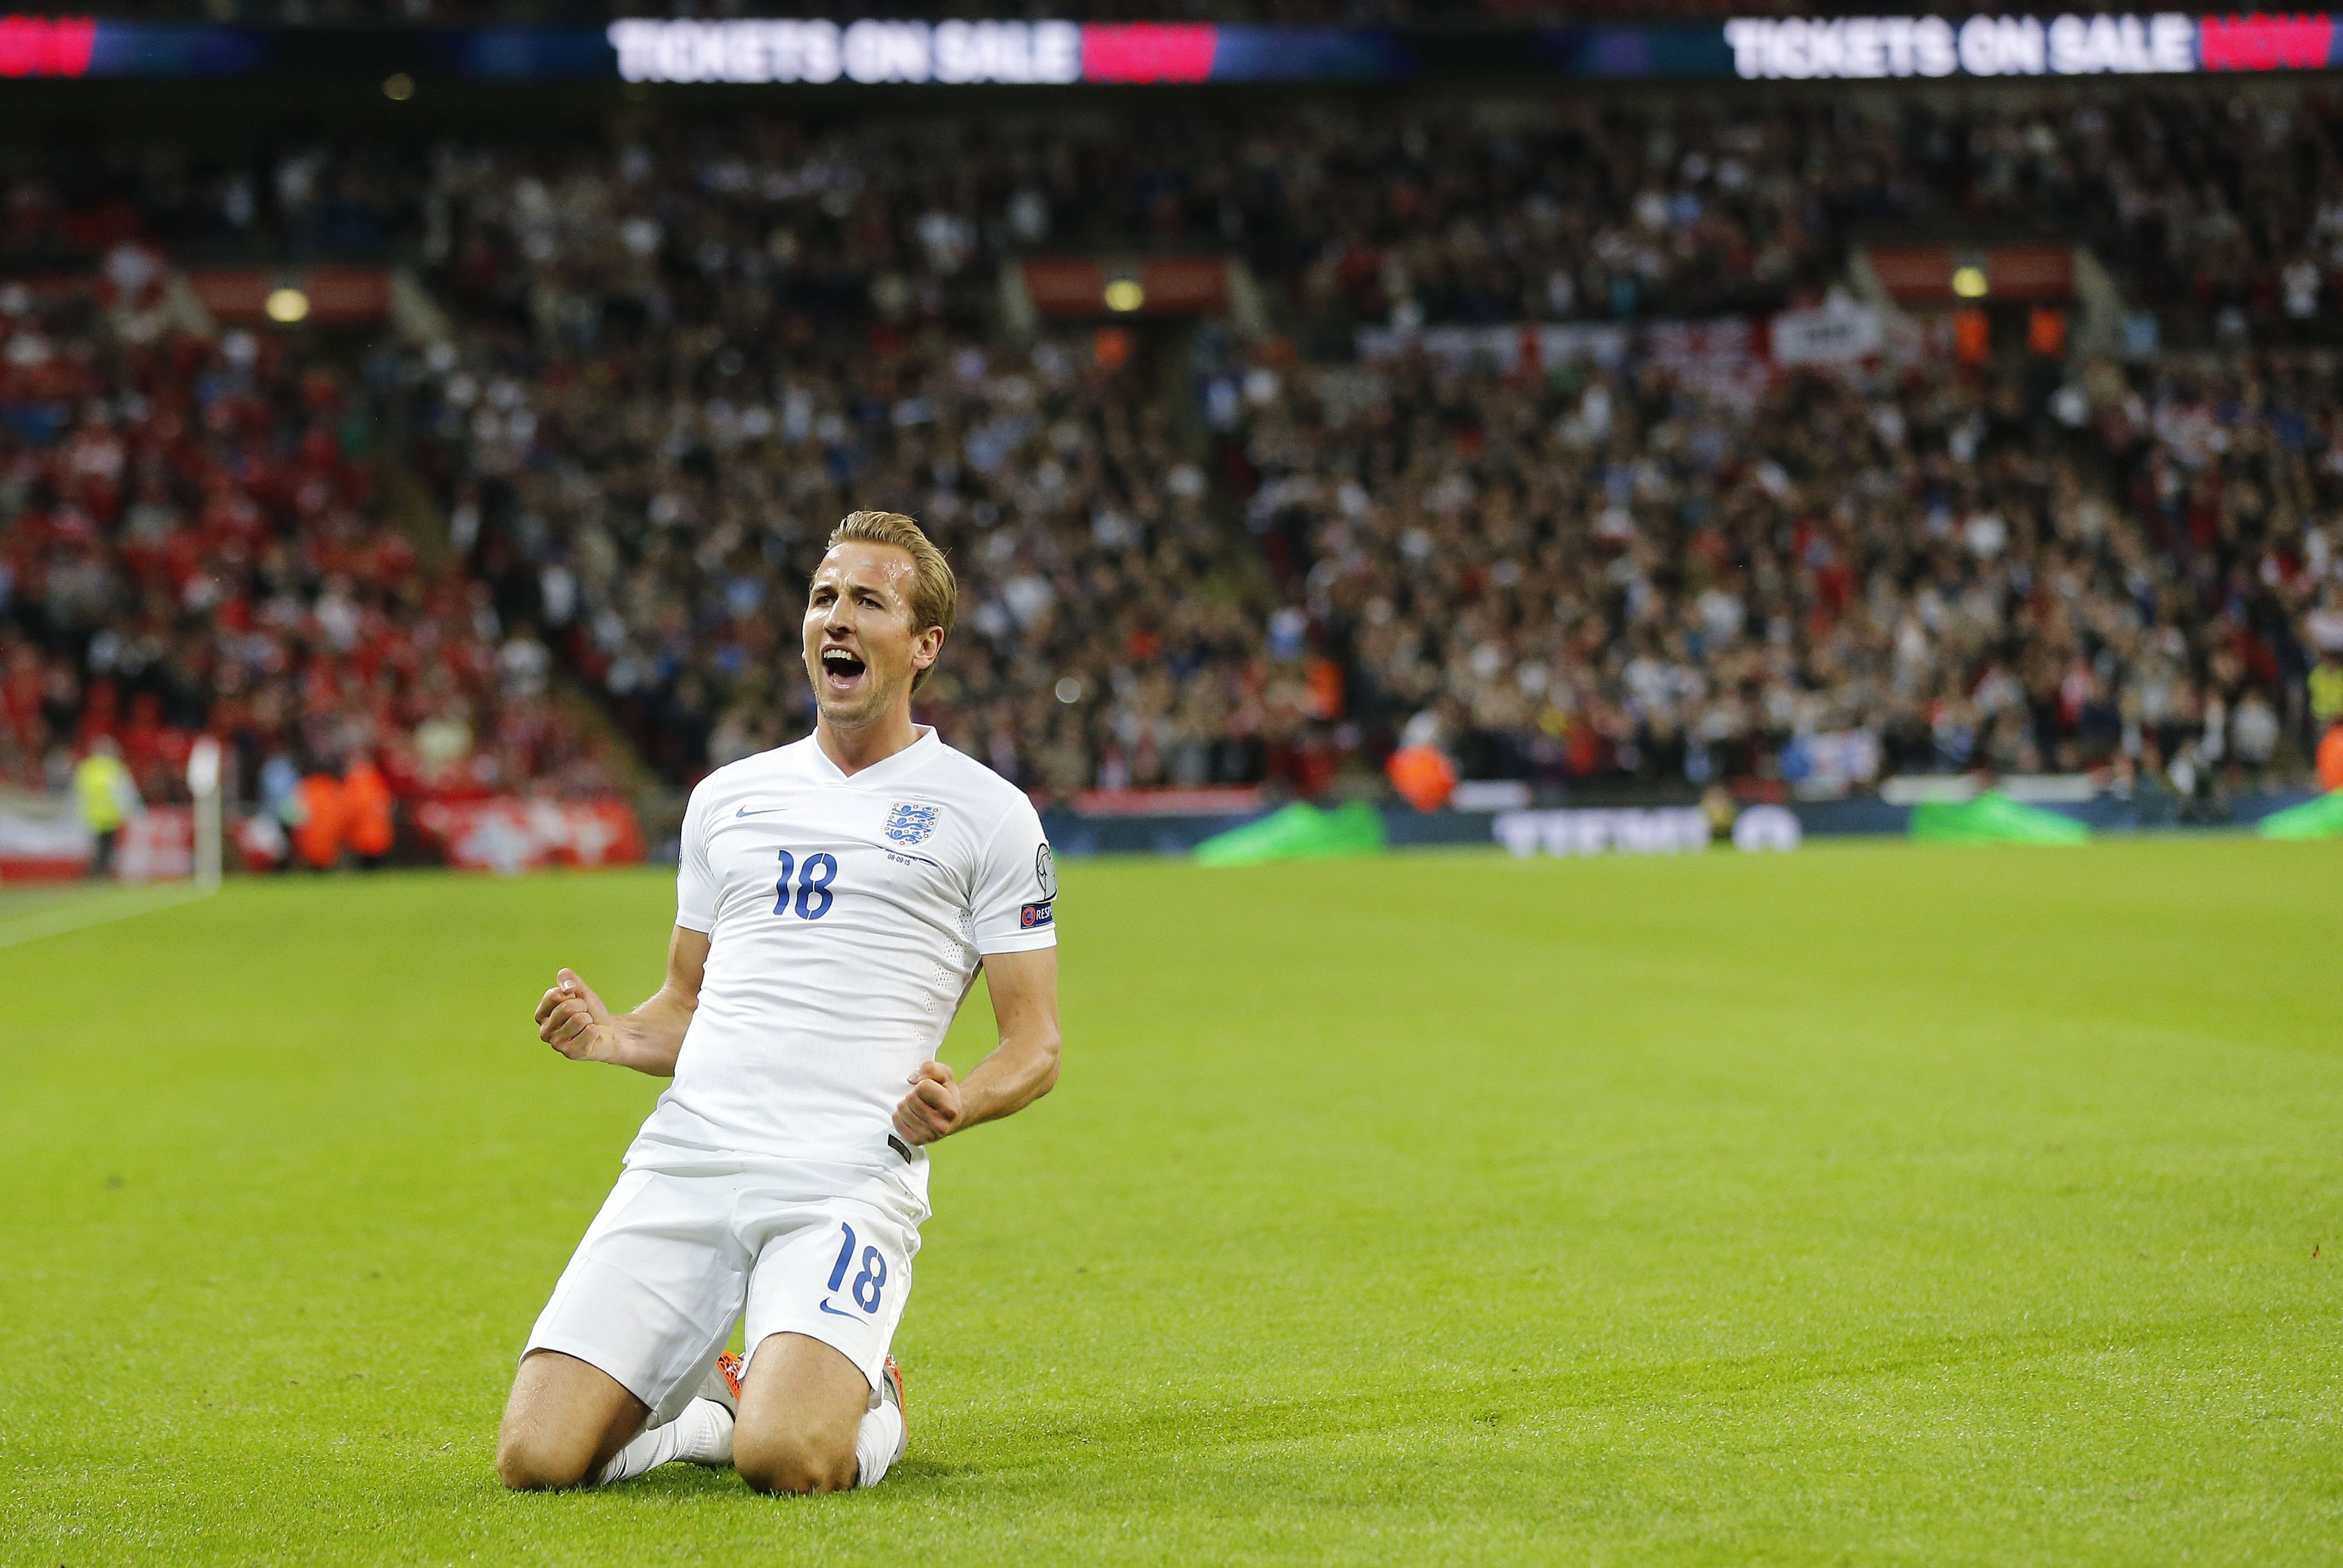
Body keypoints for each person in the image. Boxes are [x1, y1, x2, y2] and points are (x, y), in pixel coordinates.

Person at [496, 511, 1062, 1496]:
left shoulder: (988, 813)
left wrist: (961, 1102)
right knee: (537, 1460)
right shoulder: (727, 798)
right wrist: (612, 1035)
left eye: (868, 602)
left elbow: (1036, 1044)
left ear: (925, 644)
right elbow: (684, 1005)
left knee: (791, 1460)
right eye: (823, 597)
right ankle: (714, 1417)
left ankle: (873, 1402)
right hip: (690, 1159)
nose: (836, 618)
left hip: (843, 1176)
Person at [72, 737, 137, 880]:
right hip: (110, 817)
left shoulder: (86, 768)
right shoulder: (115, 768)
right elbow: (125, 793)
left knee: (94, 849)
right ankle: (103, 875)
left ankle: (93, 875)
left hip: (90, 817)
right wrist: (130, 811)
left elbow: (77, 793)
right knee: (108, 849)